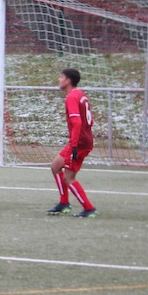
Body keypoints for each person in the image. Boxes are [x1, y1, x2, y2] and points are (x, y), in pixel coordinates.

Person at [47, 68, 97, 218]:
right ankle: (64, 203)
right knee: (56, 166)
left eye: (61, 76)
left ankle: (89, 208)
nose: (59, 79)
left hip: (79, 142)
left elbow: (76, 122)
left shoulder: (71, 97)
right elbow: (90, 120)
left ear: (68, 81)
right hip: (82, 139)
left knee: (69, 177)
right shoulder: (80, 94)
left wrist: (74, 144)